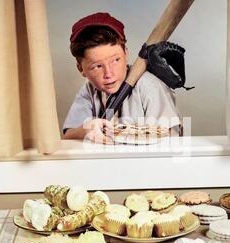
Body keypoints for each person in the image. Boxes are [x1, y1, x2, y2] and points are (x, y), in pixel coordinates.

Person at [63, 12, 181, 144]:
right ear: (81, 69)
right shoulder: (89, 89)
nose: (109, 73)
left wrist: (130, 136)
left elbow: (173, 136)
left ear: (126, 53)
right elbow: (68, 136)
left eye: (115, 60)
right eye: (97, 66)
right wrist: (87, 129)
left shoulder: (149, 86)